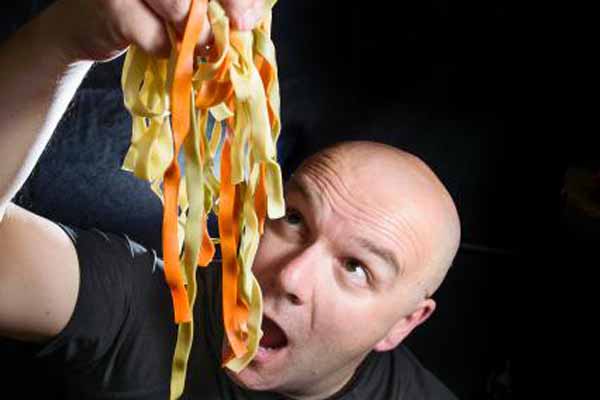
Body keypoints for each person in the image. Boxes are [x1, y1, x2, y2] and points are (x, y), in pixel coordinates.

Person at [0, 0, 461, 399]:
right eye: (295, 218)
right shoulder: (139, 302)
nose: (291, 277)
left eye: (356, 268)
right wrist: (65, 39)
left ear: (404, 324)